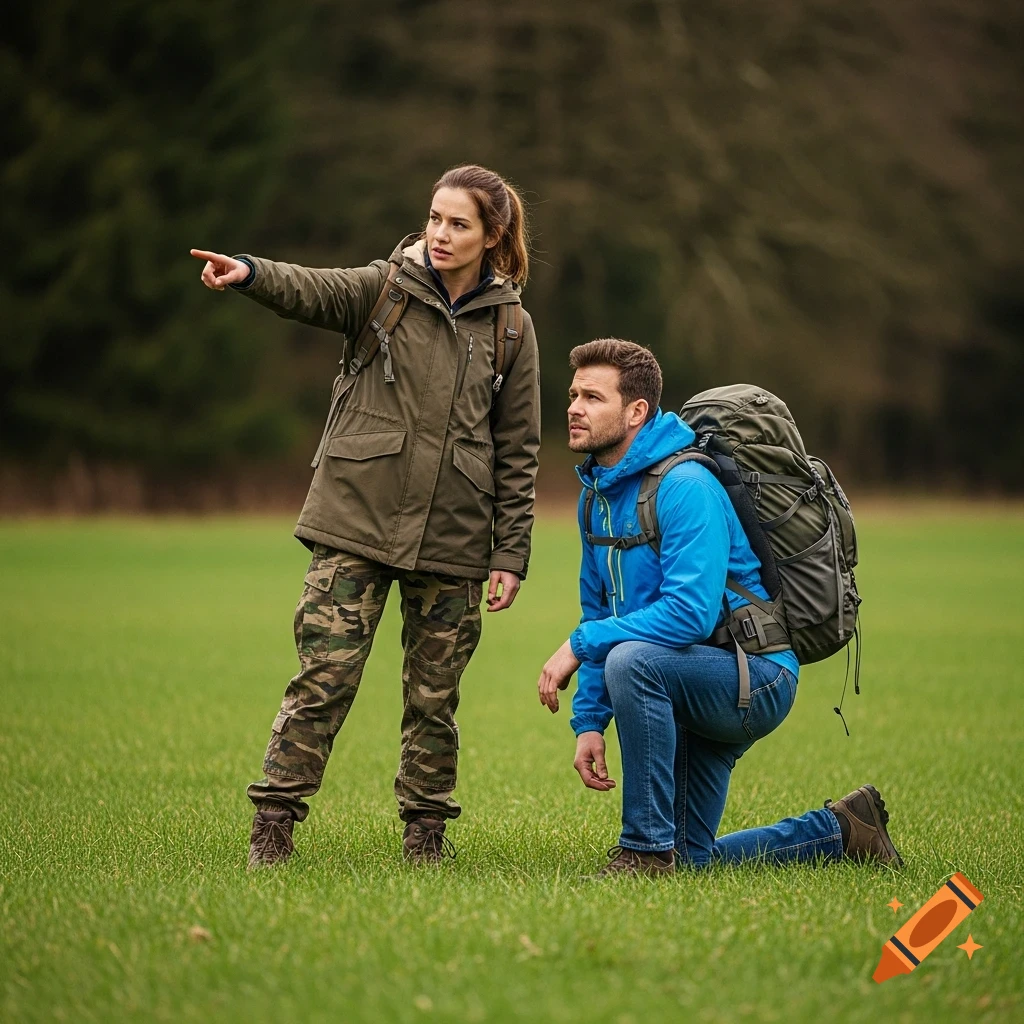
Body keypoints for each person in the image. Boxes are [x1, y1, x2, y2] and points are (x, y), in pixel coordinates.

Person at [191, 165, 540, 868]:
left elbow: (519, 449)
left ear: (491, 235)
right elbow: (309, 289)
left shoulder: (511, 326)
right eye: (435, 219)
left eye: (459, 224)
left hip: (455, 537)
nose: (441, 234)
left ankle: (425, 838)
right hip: (356, 519)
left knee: (434, 700)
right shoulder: (382, 289)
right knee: (324, 679)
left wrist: (510, 555)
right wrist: (251, 272)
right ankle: (274, 826)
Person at [536, 339, 901, 877]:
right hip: (685, 673)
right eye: (573, 394)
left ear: (636, 412)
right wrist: (590, 720)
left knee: (630, 661)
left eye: (593, 396)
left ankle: (642, 851)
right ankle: (845, 829)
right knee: (693, 860)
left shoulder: (686, 485)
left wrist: (579, 646)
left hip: (754, 674)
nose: (574, 407)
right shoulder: (596, 498)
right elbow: (602, 615)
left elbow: (689, 615)